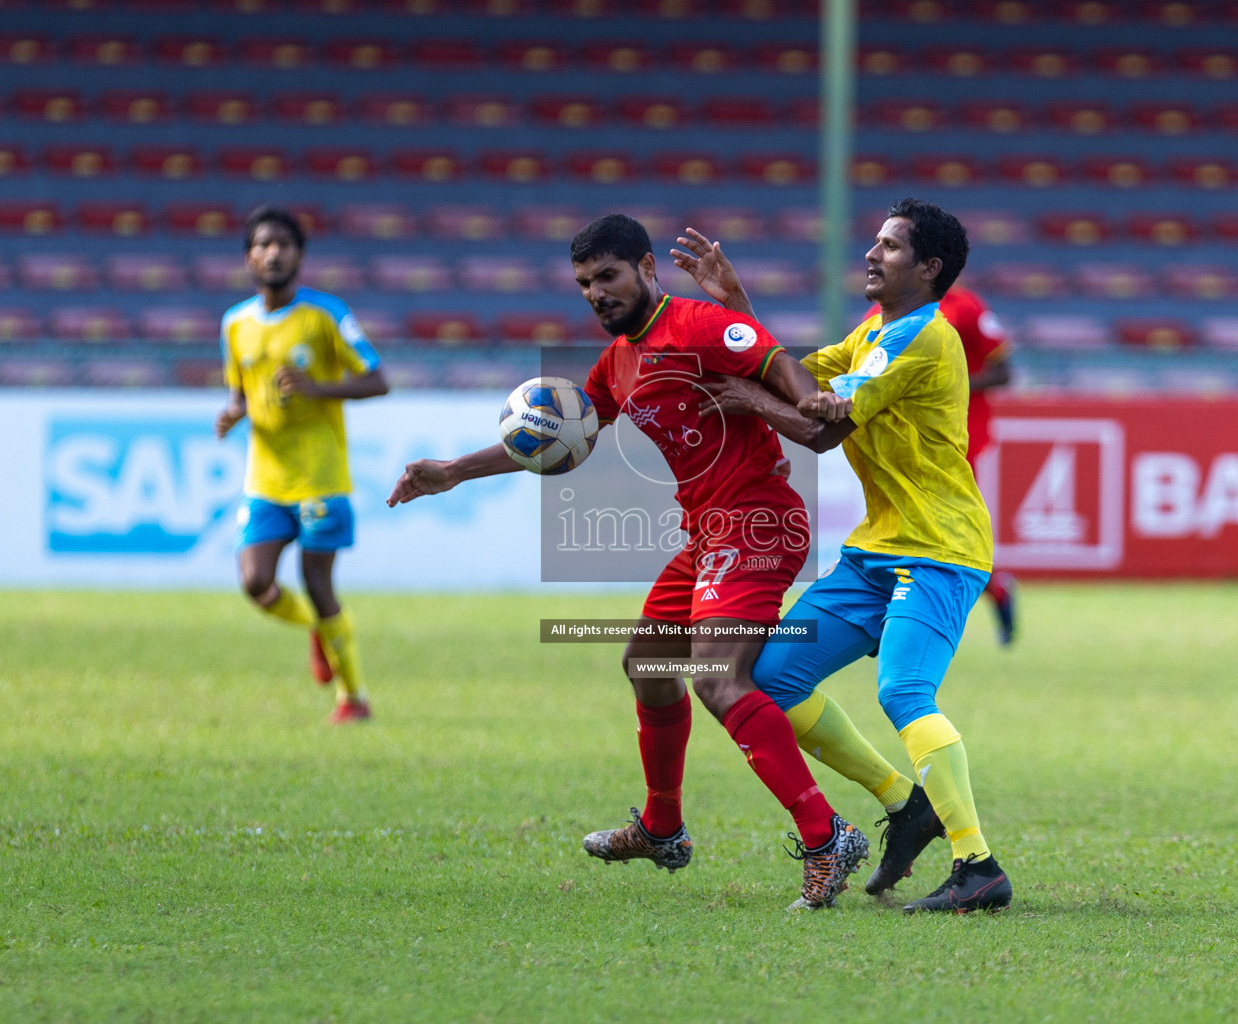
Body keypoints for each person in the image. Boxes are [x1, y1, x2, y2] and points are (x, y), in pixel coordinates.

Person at [387, 214, 867, 909]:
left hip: (758, 521)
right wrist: (455, 471)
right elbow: (553, 437)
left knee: (718, 679)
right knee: (648, 664)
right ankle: (662, 828)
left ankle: (827, 838)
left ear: (646, 268)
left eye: (607, 277)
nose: (595, 293)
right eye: (584, 283)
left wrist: (805, 397)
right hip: (707, 531)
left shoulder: (701, 325)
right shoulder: (616, 362)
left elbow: (778, 368)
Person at [672, 198, 1012, 914]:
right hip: (875, 551)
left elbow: (820, 427)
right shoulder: (873, 332)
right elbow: (792, 377)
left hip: (939, 550)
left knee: (903, 693)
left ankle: (977, 866)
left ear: (929, 268)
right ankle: (903, 802)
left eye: (889, 246)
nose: (871, 253)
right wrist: (736, 306)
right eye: (875, 242)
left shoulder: (922, 339)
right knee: (771, 677)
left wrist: (750, 400)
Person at [215, 205, 389, 724]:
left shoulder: (327, 315)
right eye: (263, 245)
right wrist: (232, 413)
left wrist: (319, 389)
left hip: (320, 476)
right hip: (265, 479)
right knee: (255, 583)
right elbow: (241, 392)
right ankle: (317, 630)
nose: (273, 253)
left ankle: (353, 698)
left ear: (299, 256)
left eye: (284, 244)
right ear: (249, 257)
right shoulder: (235, 324)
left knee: (318, 582)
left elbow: (378, 379)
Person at [936, 285, 1019, 646]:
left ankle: (996, 586)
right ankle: (996, 585)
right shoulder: (879, 312)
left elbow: (1003, 372)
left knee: (950, 533)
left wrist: (945, 386)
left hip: (956, 439)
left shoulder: (964, 306)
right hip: (898, 441)